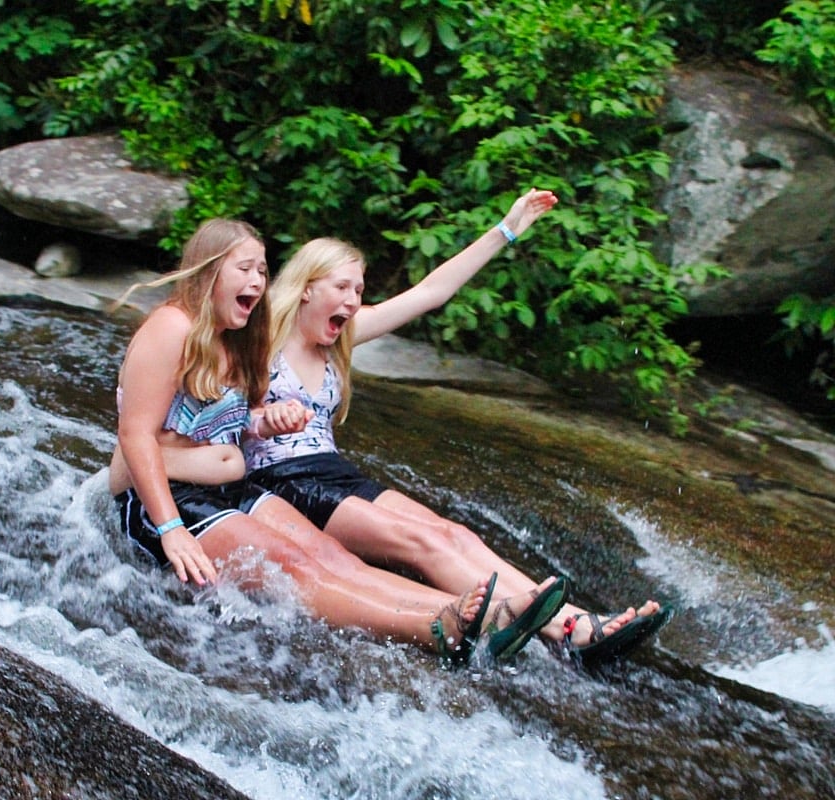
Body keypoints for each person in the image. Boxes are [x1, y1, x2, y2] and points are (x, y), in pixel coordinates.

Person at [107, 217, 569, 665]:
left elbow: (215, 421)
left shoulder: (234, 340)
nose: (257, 281)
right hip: (170, 500)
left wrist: (263, 421)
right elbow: (134, 434)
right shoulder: (172, 327)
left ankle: (480, 615)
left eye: (263, 271)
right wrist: (171, 531)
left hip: (232, 486)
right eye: (244, 268)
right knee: (293, 563)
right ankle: (436, 626)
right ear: (209, 271)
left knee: (333, 556)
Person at [243, 191, 674, 665]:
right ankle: (558, 628)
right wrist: (262, 419)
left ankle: (575, 621)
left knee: (455, 535)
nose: (352, 300)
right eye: (342, 287)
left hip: (333, 470)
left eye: (359, 291)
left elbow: (430, 293)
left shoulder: (342, 338)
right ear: (307, 287)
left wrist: (506, 229)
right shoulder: (260, 339)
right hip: (283, 479)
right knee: (422, 542)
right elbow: (213, 417)